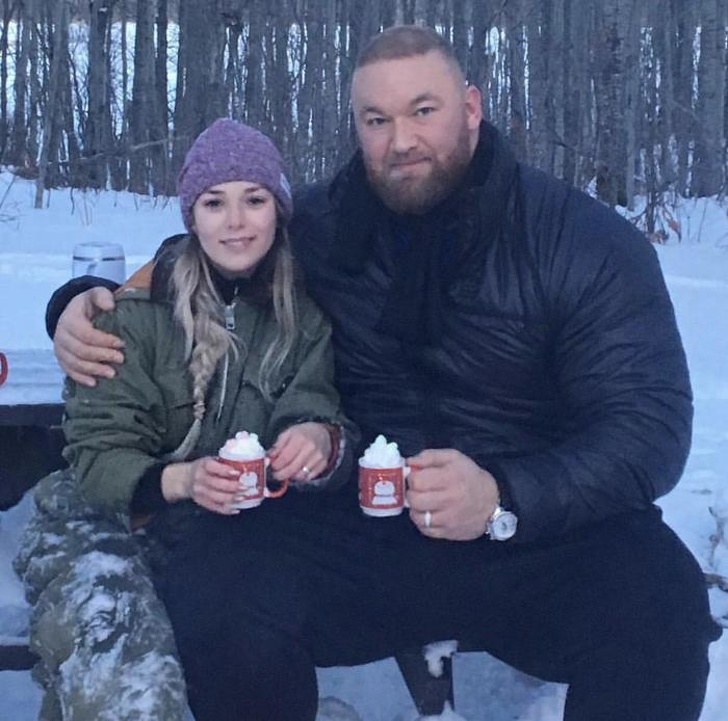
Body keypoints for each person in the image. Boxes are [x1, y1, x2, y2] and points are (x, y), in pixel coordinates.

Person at [38, 24, 721, 721]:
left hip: (533, 532)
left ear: (472, 108)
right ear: (357, 128)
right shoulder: (320, 225)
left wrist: (503, 493)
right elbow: (212, 250)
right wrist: (79, 303)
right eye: (377, 120)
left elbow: (650, 429)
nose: (401, 140)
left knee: (660, 596)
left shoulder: (583, 241)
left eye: (424, 111)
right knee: (218, 580)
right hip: (358, 527)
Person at [15, 118, 356, 721]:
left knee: (246, 649)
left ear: (279, 210)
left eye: (254, 200)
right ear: (190, 215)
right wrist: (184, 480)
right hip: (98, 519)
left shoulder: (301, 316)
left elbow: (315, 402)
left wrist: (315, 438)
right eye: (214, 202)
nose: (235, 221)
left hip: (221, 527)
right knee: (125, 677)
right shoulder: (131, 314)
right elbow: (96, 454)